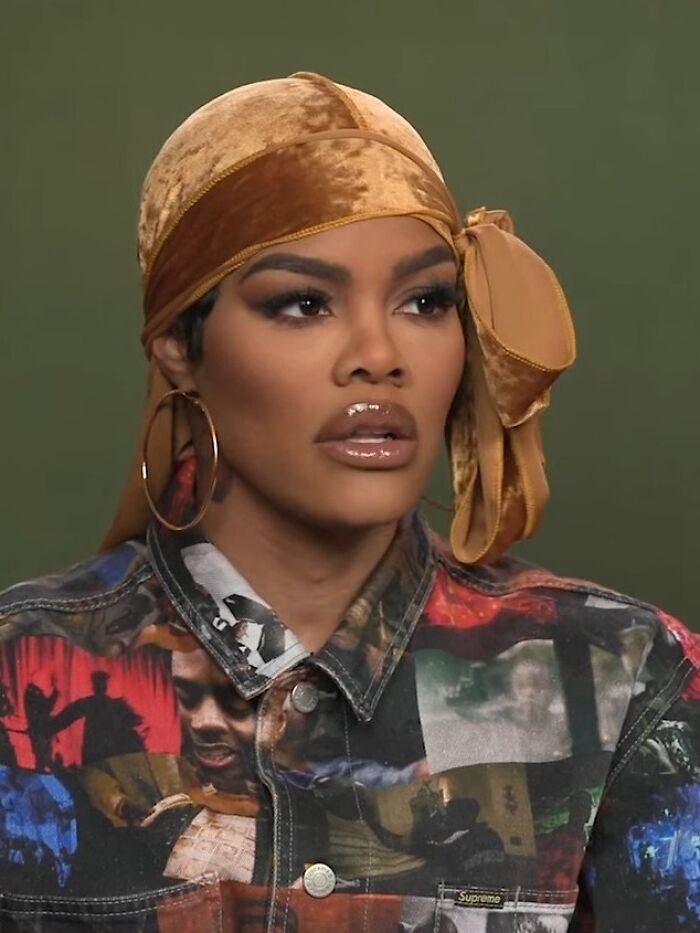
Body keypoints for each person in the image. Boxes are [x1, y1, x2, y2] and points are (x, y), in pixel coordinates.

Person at [0, 71, 698, 932]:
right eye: (304, 303)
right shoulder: (17, 681)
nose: (380, 354)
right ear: (179, 343)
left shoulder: (629, 681)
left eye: (425, 301)